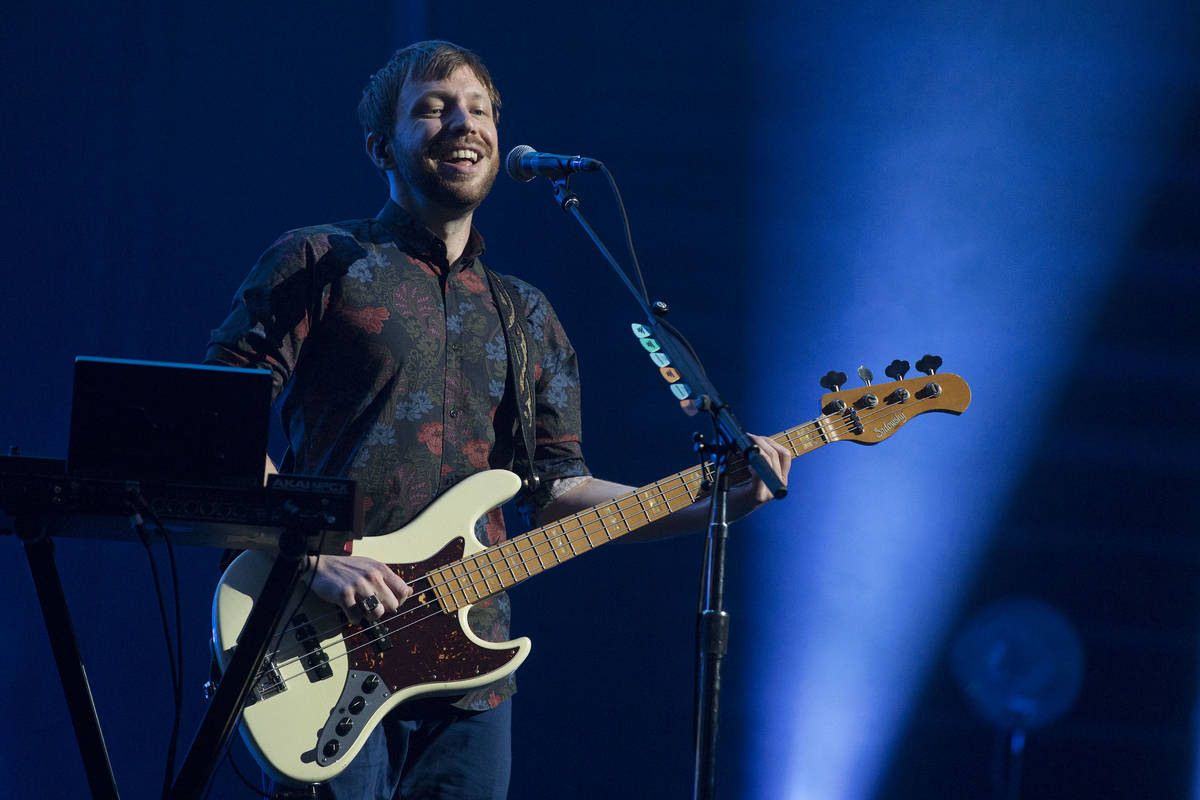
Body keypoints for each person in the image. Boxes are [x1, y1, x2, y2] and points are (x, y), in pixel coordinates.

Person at [206, 40, 791, 800]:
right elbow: (215, 417)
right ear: (381, 147)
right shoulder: (319, 260)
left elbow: (561, 492)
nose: (464, 123)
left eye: (479, 109)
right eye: (434, 108)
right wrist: (306, 553)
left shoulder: (526, 314)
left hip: (470, 669)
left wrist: (720, 502)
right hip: (324, 628)